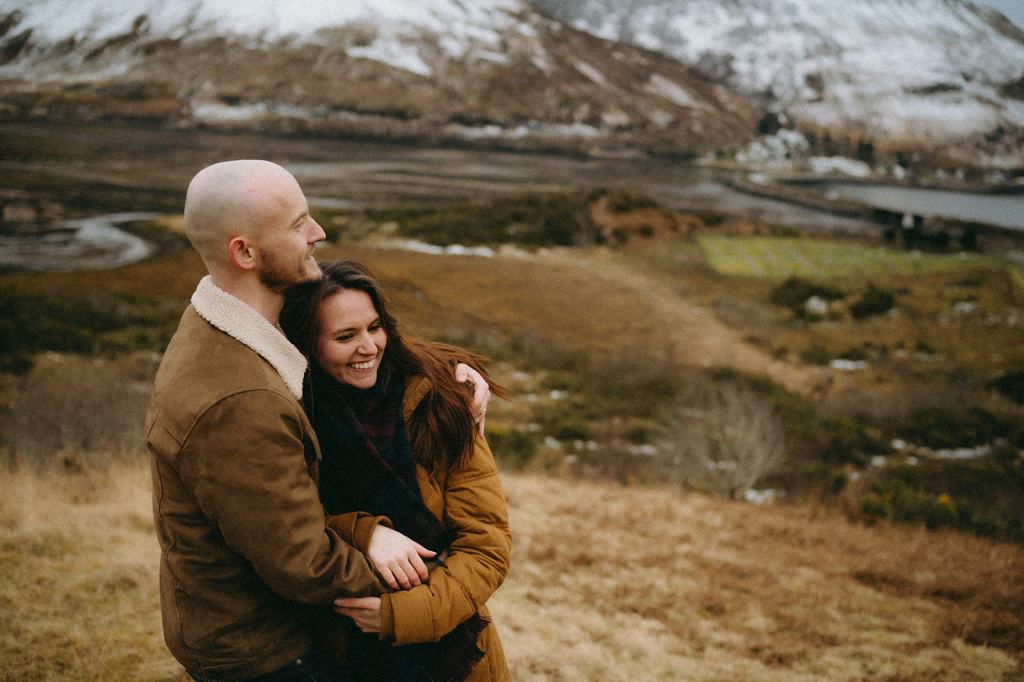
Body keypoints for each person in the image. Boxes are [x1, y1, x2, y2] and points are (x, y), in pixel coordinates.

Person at [147, 160, 491, 681]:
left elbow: (355, 334)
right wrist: (417, 597)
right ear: (244, 252)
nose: (318, 233)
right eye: (297, 224)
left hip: (275, 631)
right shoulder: (241, 399)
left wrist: (447, 373)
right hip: (263, 652)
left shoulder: (239, 323)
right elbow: (302, 561)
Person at [280, 260, 512, 681]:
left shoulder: (441, 402)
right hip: (333, 651)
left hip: (456, 656)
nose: (368, 346)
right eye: (345, 336)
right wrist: (365, 533)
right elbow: (283, 526)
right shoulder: (289, 418)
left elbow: (486, 546)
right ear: (308, 344)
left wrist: (402, 615)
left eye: (374, 327)